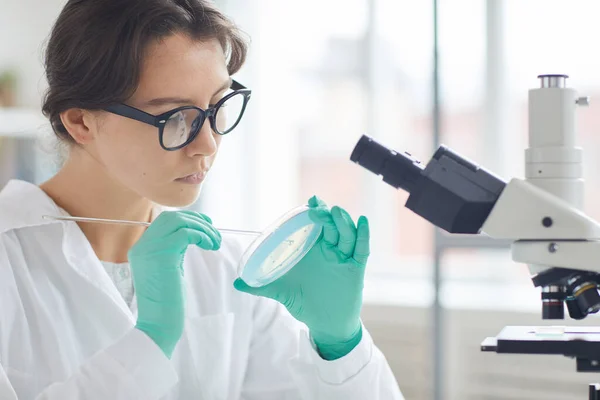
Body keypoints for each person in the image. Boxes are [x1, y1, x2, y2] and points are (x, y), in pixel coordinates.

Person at [0, 0, 404, 399]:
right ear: (81, 121)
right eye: (175, 117)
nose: (207, 144)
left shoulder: (225, 266)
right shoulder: (9, 262)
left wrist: (340, 345)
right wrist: (151, 341)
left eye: (217, 107)